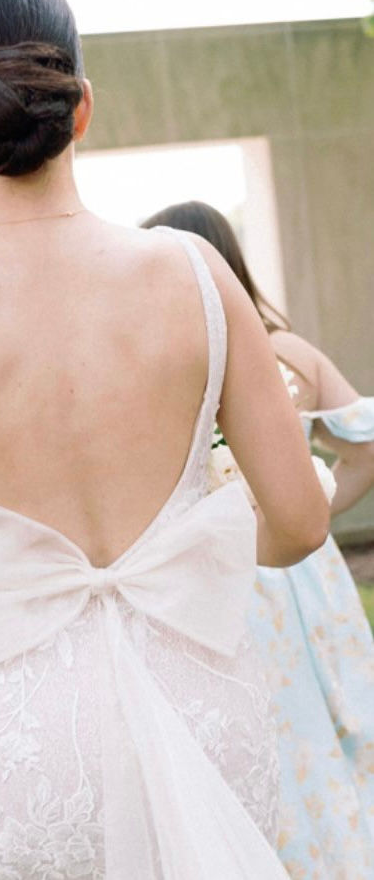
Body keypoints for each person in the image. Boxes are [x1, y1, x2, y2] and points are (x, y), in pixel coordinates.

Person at [0, 0, 330, 879]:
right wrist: (199, 549)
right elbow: (302, 523)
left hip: (21, 740)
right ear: (80, 107)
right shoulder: (193, 273)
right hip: (199, 704)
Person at [143, 200, 374, 878]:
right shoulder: (287, 353)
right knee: (340, 722)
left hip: (222, 576)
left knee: (266, 737)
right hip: (308, 566)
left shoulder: (169, 365)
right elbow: (363, 450)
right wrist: (314, 509)